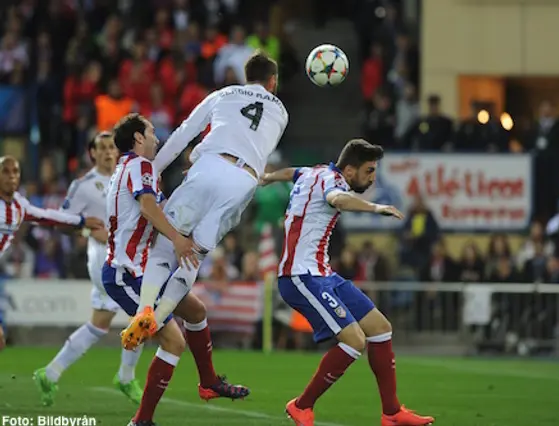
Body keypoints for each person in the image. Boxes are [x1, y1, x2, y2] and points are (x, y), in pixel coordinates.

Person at [120, 51, 288, 349]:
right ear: (272, 82)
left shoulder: (223, 94)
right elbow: (253, 145)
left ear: (246, 76)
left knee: (167, 242)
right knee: (194, 254)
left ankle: (144, 308)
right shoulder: (282, 113)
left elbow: (186, 132)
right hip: (244, 182)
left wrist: (152, 169)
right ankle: (158, 320)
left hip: (210, 166)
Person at [262, 139, 435, 426]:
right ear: (350, 170)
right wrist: (376, 208)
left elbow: (291, 172)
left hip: (323, 274)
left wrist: (268, 177)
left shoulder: (313, 172)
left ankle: (391, 412)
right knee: (354, 341)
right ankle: (302, 406)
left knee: (380, 328)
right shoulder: (334, 182)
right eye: (368, 171)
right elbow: (337, 200)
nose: (372, 178)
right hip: (301, 276)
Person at [101, 114, 248, 426]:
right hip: (125, 271)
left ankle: (208, 381)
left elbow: (160, 209)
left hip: (138, 268)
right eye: (152, 132)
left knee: (195, 311)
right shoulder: (140, 166)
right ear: (138, 138)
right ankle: (141, 421)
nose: (157, 138)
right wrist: (178, 240)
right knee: (174, 341)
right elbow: (148, 208)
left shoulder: (131, 169)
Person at [34, 132, 145, 406]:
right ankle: (126, 375)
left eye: (111, 147)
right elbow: (61, 220)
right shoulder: (83, 185)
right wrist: (85, 230)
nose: (108, 152)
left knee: (101, 321)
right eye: (102, 148)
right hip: (103, 257)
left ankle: (50, 373)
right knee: (144, 312)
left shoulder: (125, 176)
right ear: (92, 154)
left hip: (127, 255)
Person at [0, 156, 103, 352]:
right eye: (5, 171)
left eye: (15, 172)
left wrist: (80, 221)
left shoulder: (19, 205)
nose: (11, 177)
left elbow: (47, 216)